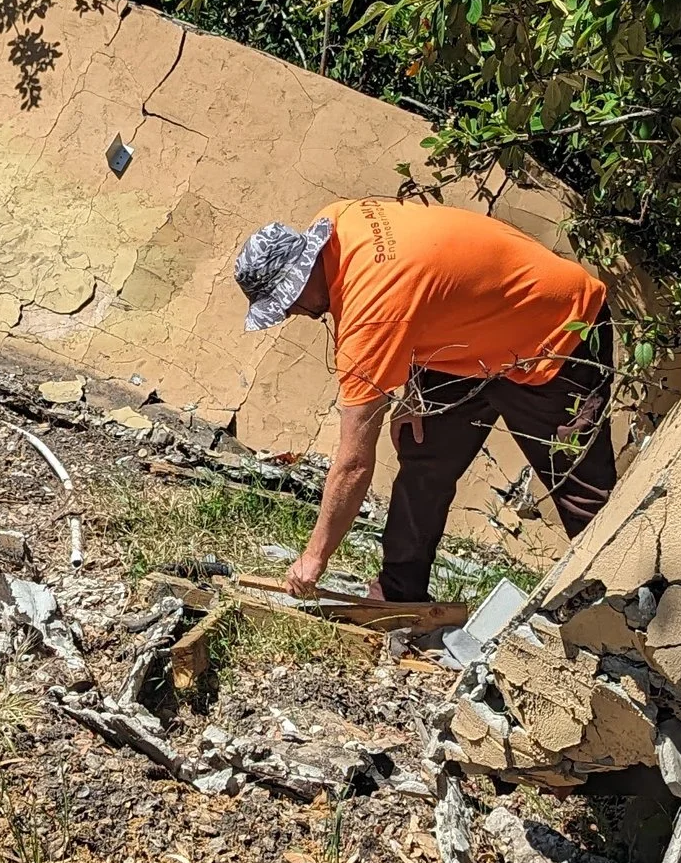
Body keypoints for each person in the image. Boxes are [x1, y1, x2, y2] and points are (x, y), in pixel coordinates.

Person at [233, 199, 617, 603]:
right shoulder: (336, 219)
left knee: (580, 488)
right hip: (471, 338)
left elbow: (353, 464)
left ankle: (619, 597)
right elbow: (430, 285)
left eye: (287, 302)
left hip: (558, 334)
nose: (294, 312)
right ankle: (398, 596)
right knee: (424, 454)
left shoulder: (369, 316)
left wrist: (314, 558)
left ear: (303, 274)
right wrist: (415, 391)